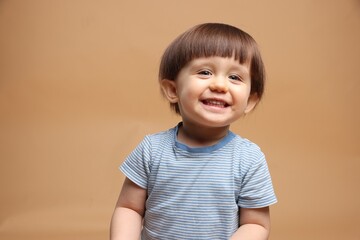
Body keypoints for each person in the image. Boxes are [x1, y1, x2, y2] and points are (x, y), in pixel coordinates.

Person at [110, 22, 277, 240]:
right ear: (173, 89)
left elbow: (256, 224)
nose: (220, 85)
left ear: (250, 101)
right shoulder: (152, 150)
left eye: (234, 77)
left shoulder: (249, 158)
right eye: (205, 72)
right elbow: (129, 208)